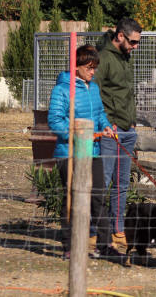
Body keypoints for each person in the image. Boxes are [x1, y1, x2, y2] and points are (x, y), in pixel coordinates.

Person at [47, 45, 125, 262]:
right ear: (77, 67)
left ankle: (103, 244)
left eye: (95, 68)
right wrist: (79, 135)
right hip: (69, 153)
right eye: (89, 68)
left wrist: (106, 126)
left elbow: (99, 114)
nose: (93, 72)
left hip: (93, 152)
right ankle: (69, 246)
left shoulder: (93, 89)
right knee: (71, 198)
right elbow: (55, 120)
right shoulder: (62, 90)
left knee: (99, 198)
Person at [94, 17, 142, 247]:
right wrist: (105, 123)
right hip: (109, 132)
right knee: (102, 182)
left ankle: (118, 229)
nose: (136, 46)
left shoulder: (126, 58)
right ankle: (95, 230)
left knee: (122, 184)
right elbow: (96, 93)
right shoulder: (103, 58)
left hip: (127, 130)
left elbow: (126, 94)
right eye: (133, 42)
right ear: (120, 36)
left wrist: (131, 123)